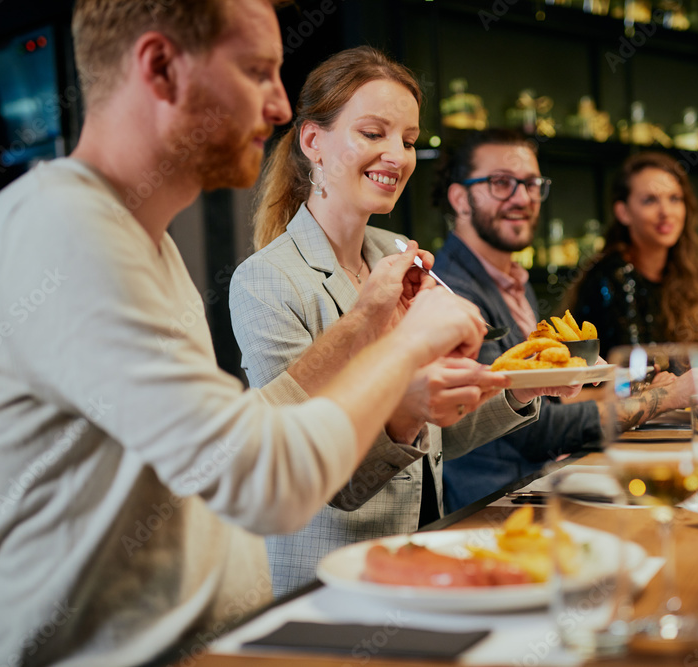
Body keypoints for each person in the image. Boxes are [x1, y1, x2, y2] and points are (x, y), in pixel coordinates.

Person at [0, 3, 490, 666]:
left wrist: (367, 321)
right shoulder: (61, 233)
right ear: (162, 68)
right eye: (258, 72)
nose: (283, 107)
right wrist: (408, 345)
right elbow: (267, 482)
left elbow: (230, 440)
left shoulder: (144, 241)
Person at [230, 48, 576, 596]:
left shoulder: (398, 254)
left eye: (410, 141)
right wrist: (402, 401)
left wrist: (518, 388)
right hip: (335, 579)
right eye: (373, 133)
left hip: (428, 549)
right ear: (313, 142)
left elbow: (438, 436)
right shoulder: (266, 282)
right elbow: (309, 474)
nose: (397, 155)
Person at [431, 129, 698, 512]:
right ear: (460, 198)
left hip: (544, 483)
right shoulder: (451, 289)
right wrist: (666, 396)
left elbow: (552, 400)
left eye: (531, 183)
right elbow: (535, 431)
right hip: (491, 508)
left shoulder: (511, 281)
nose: (522, 197)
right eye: (502, 183)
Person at [564, 151, 698, 356]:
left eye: (675, 199)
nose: (666, 212)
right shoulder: (613, 275)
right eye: (650, 200)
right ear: (623, 212)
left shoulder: (687, 271)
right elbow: (636, 376)